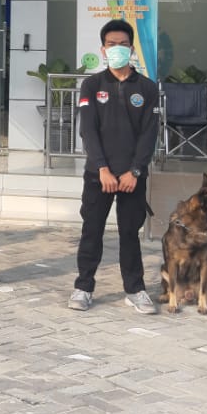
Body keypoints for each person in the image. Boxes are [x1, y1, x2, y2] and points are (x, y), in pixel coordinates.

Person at [69, 19, 160, 315]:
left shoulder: (147, 88)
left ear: (131, 49)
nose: (117, 49)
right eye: (111, 45)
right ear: (103, 49)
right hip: (100, 176)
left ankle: (135, 290)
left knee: (129, 234)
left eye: (123, 45)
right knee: (91, 231)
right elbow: (88, 131)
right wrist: (102, 169)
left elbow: (149, 134)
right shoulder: (92, 85)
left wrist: (135, 171)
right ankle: (84, 287)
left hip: (132, 177)